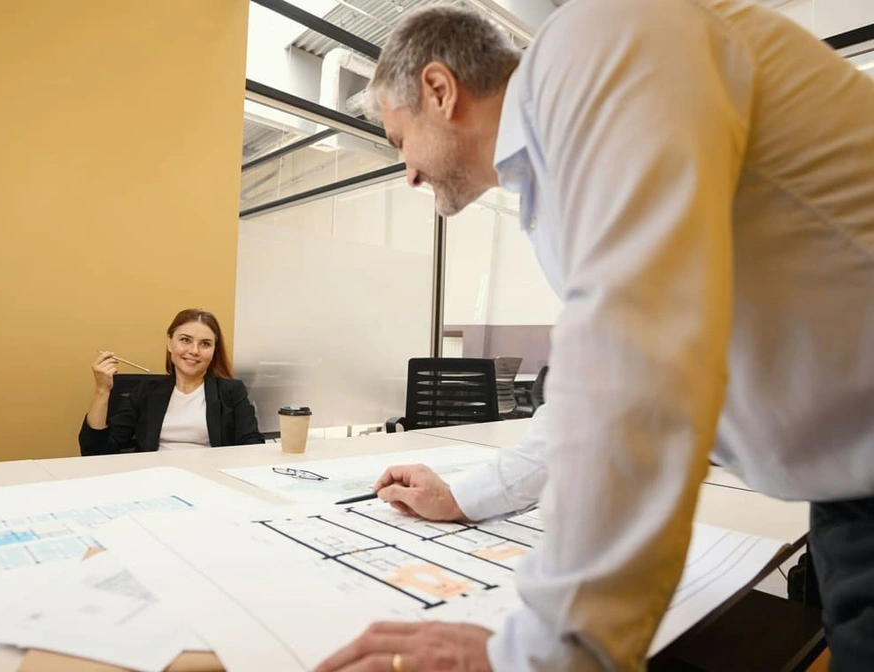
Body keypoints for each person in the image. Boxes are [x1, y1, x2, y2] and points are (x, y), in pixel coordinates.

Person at [316, 2, 874, 672]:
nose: (406, 172)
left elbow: (634, 361)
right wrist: (467, 496)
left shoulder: (600, 41)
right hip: (847, 495)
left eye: (398, 139)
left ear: (439, 90)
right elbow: (599, 385)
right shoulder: (551, 178)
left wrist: (548, 652)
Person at [79, 309, 264, 455]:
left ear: (214, 350)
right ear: (170, 343)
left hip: (209, 479)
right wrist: (102, 390)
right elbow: (96, 451)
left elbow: (252, 446)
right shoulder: (146, 391)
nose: (194, 350)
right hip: (153, 478)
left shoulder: (231, 391)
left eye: (205, 344)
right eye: (185, 340)